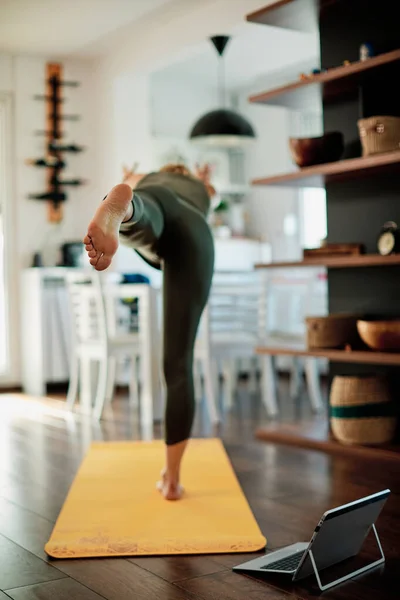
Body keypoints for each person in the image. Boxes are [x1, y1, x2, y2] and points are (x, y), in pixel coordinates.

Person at [84, 163, 216, 500]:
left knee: (145, 213)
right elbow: (210, 194)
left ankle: (123, 209)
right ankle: (172, 480)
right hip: (194, 235)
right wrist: (204, 182)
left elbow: (139, 182)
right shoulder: (198, 189)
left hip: (154, 203)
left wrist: (129, 180)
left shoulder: (151, 180)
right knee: (178, 364)